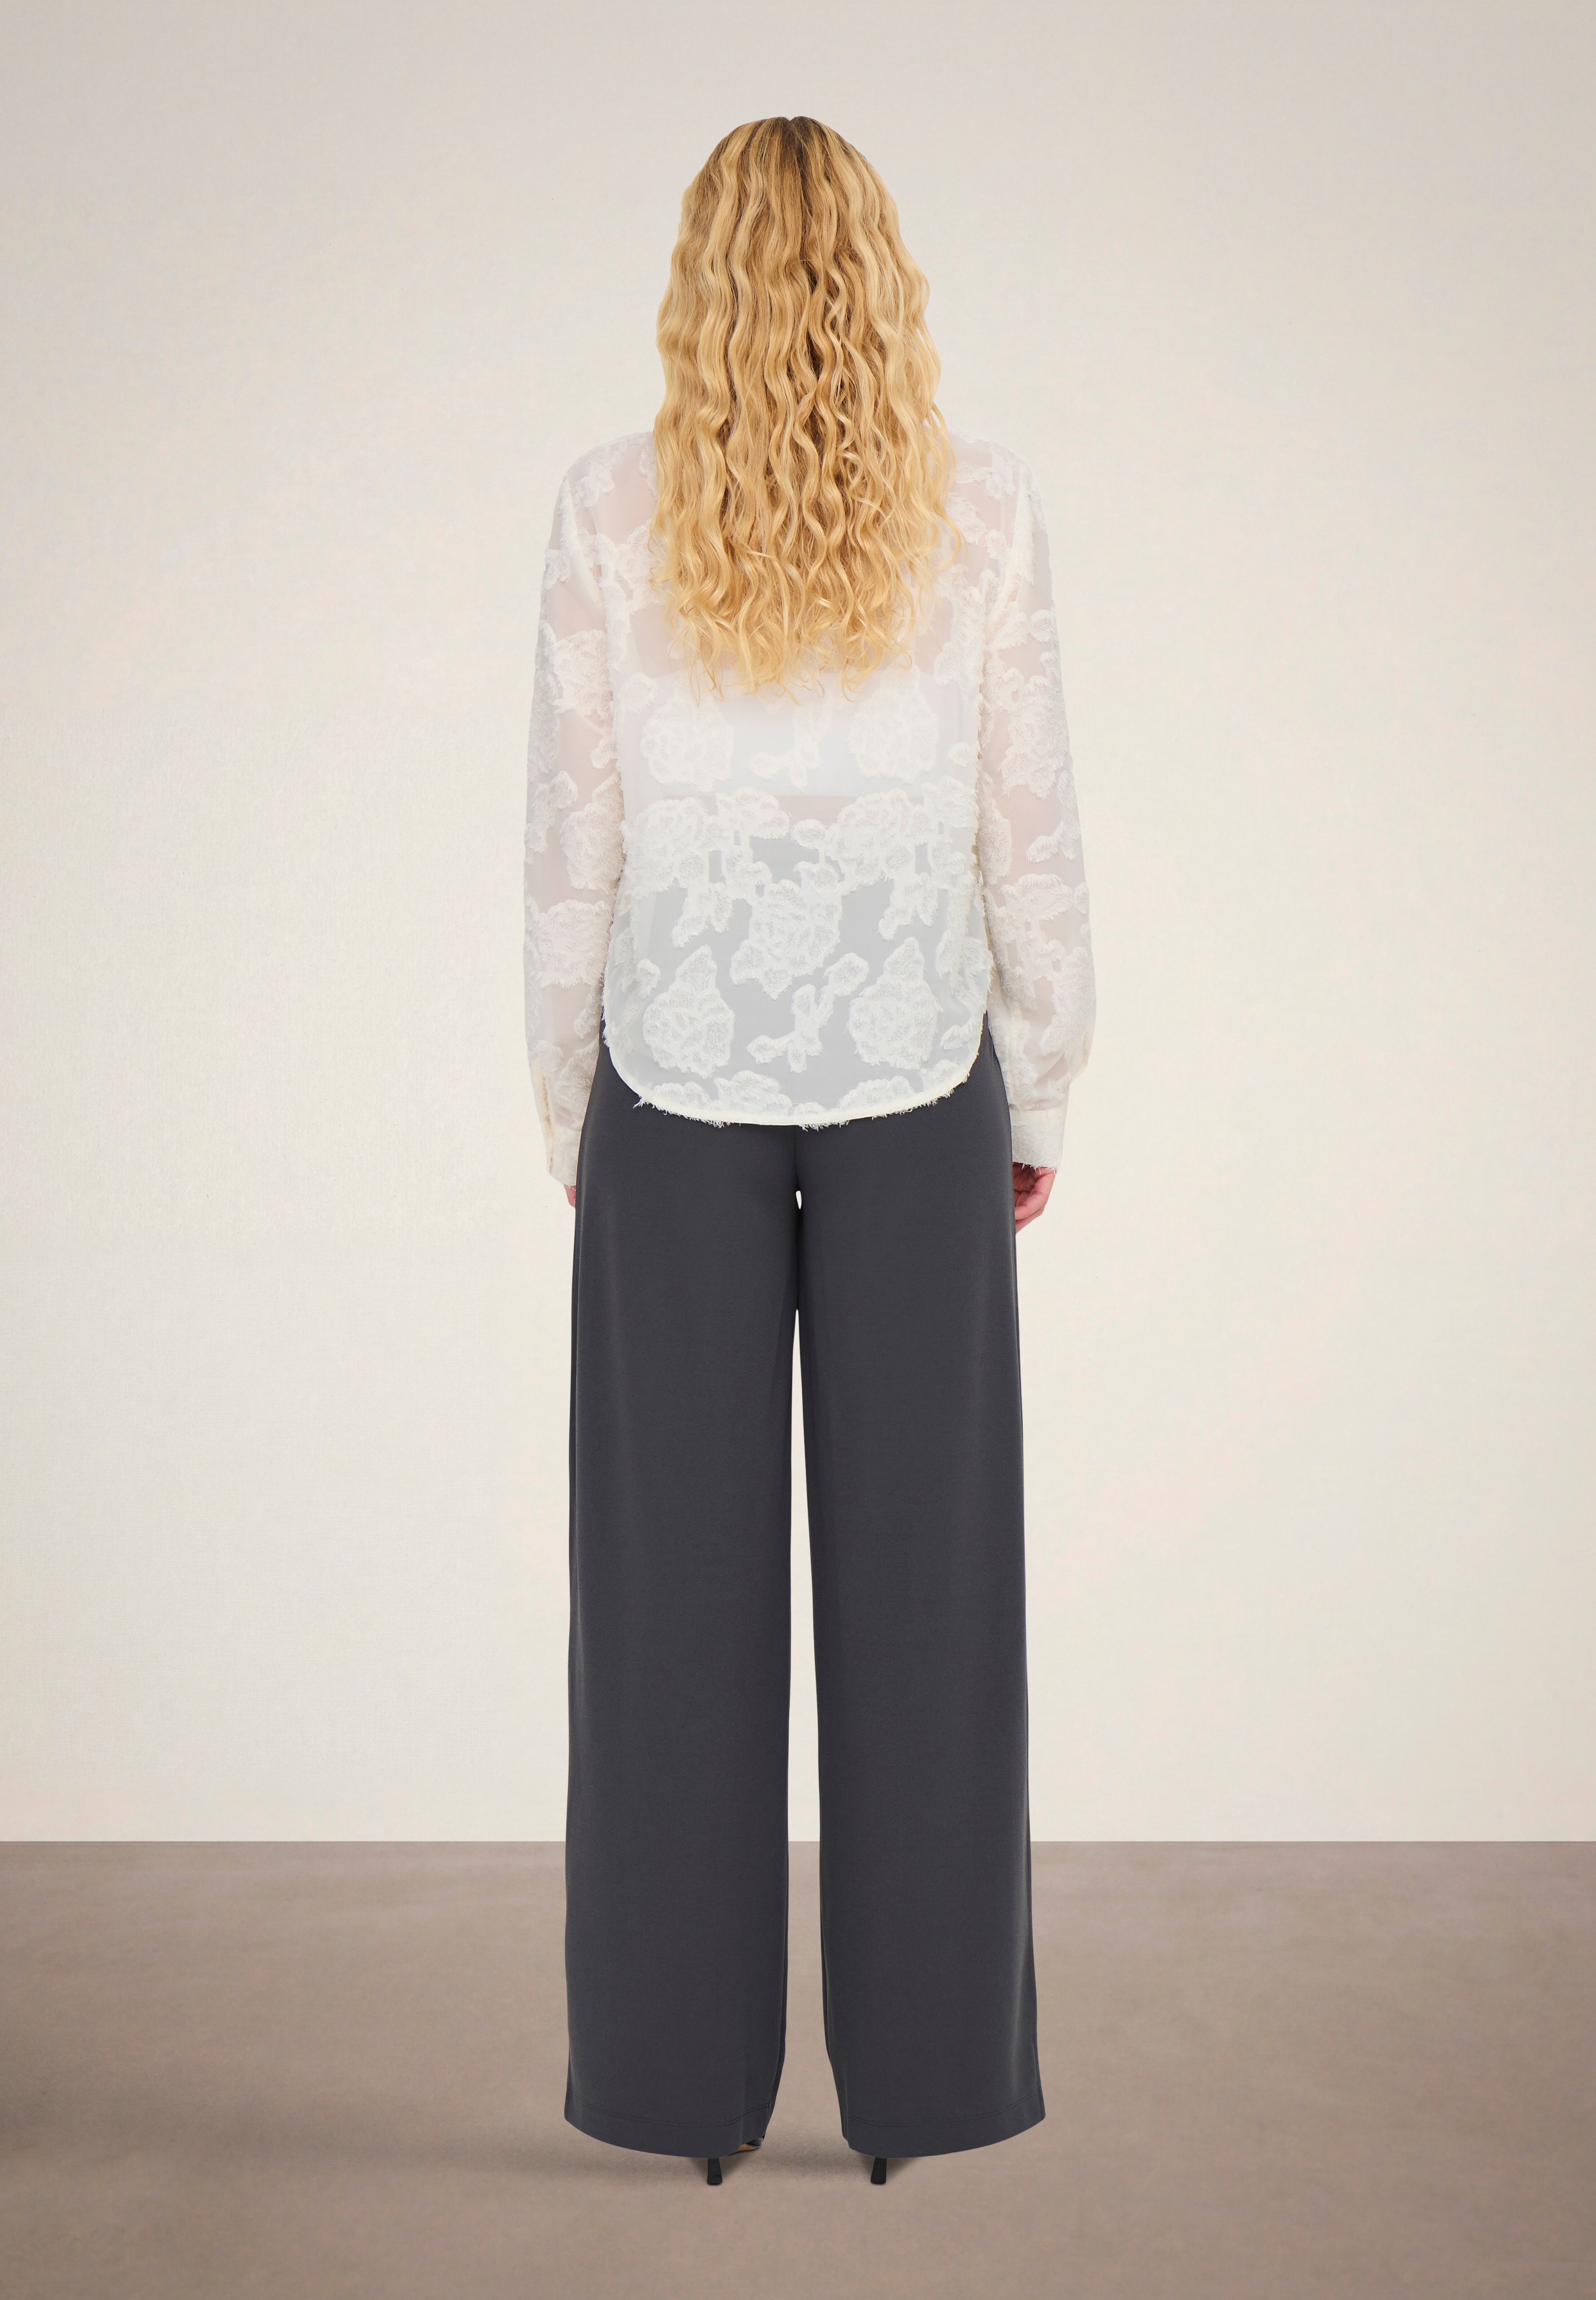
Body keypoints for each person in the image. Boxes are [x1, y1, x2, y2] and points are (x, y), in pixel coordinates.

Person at [523, 115, 1096, 2187]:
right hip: (920, 1081)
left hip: (669, 1088)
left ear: (699, 288)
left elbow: (570, 839)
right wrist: (1043, 1085)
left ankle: (675, 2094)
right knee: (934, 1595)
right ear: (883, 276)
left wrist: (566, 1099)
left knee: (663, 1605)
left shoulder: (609, 506)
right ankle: (929, 2093)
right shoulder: (980, 508)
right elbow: (1028, 826)